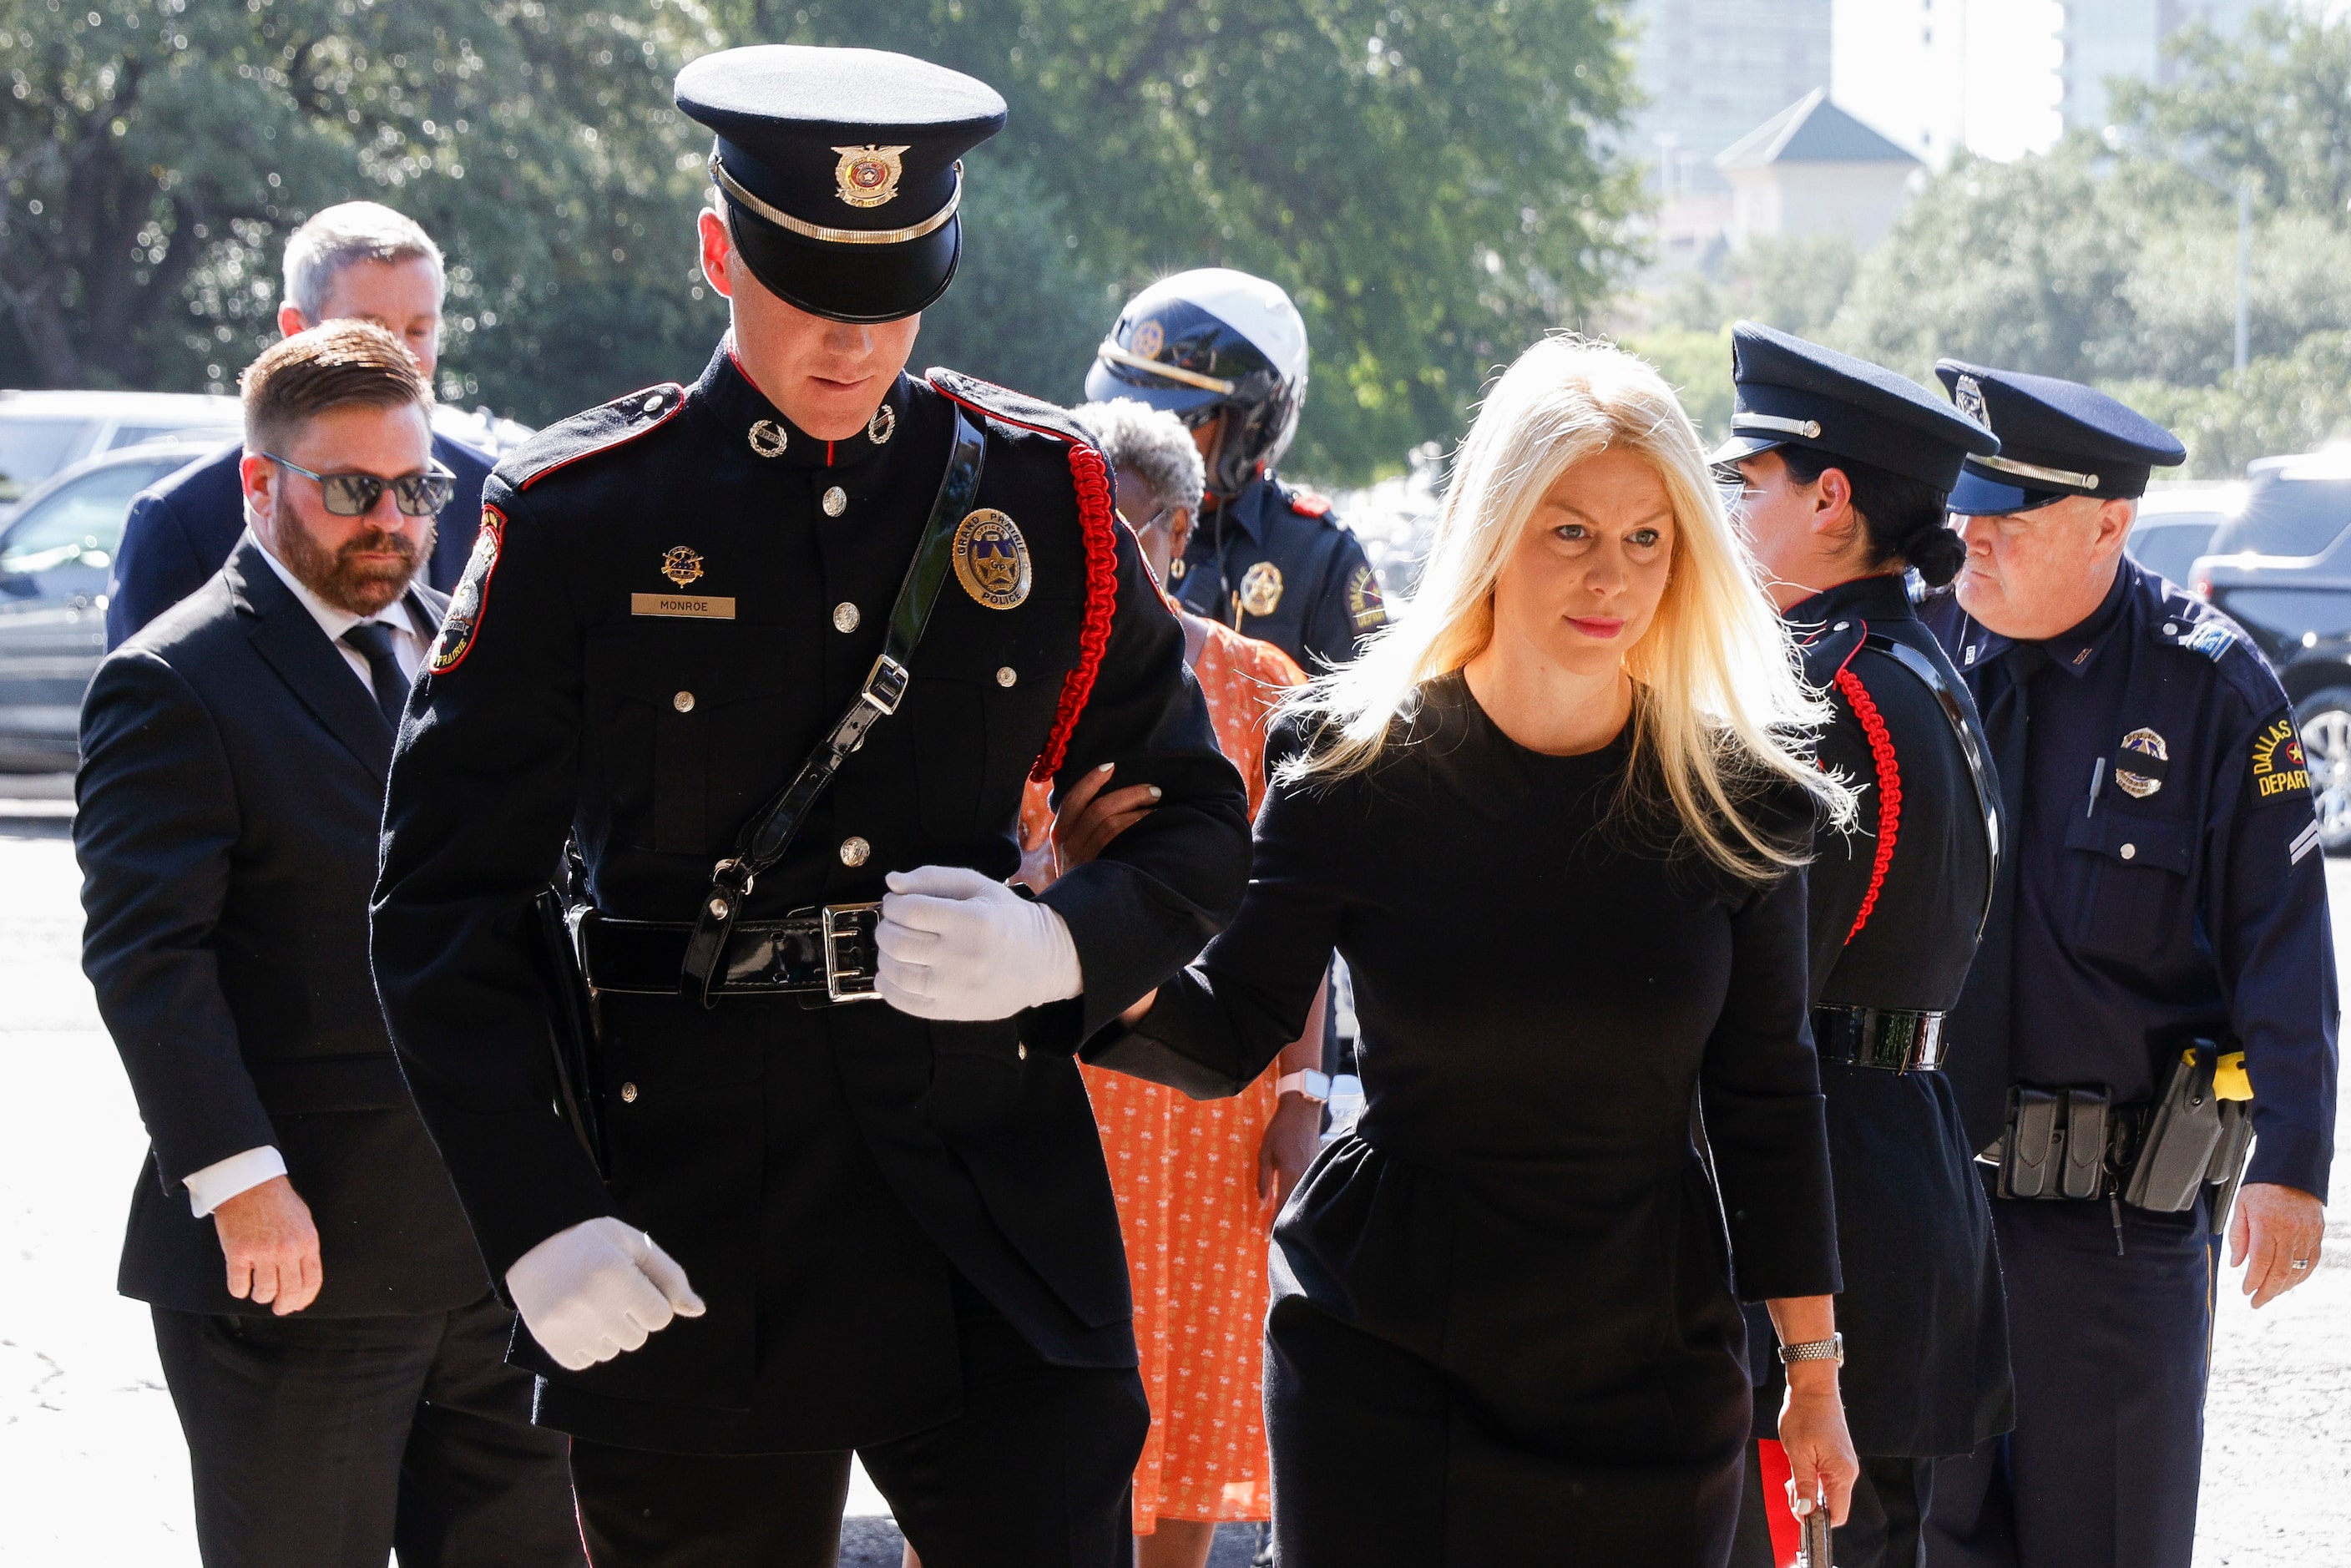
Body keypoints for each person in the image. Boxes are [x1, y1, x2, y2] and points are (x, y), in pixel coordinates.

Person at [367, 46, 1252, 1568]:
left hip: (985, 1184)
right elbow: (443, 904)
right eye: (805, 289)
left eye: (893, 295)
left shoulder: (1040, 496)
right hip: (695, 1197)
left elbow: (1192, 825)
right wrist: (536, 1211)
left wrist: (1057, 951)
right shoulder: (587, 511)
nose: (851, 340)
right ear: (719, 251)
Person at [1086, 336, 1862, 1565]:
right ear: (1495, 527)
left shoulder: (1741, 802)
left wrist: (1812, 1368)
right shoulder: (1347, 768)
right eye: (1569, 530)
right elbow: (1232, 1025)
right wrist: (1072, 938)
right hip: (1387, 1355)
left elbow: (1768, 1093)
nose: (1612, 574)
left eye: (1648, 537)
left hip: (1648, 1355)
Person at [73, 321, 582, 1568]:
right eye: (355, 490)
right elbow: (150, 957)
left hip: (497, 1254)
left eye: (416, 490)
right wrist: (241, 1183)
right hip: (299, 1265)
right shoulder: (174, 678)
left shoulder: (458, 648)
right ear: (261, 484)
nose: (394, 522)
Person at [1917, 364, 2338, 1568]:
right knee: (1926, 1541)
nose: (1973, 543)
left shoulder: (2210, 688)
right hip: (1937, 1203)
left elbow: (2284, 942)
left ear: (2111, 523)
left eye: (2007, 523)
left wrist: (2294, 1163)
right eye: (1966, 515)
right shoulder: (1927, 644)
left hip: (2113, 1236)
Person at [1710, 324, 2011, 1568]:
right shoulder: (1921, 667)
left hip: (1825, 1174)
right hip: (1898, 1155)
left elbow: (1764, 989)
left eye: (1751, 479)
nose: (1729, 503)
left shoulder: (1828, 692)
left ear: (1830, 500)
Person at [1040, 397, 1325, 1568]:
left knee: (1196, 1379)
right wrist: (1061, 865)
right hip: (1059, 1077)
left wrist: (1306, 1087)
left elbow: (1301, 909)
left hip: (1215, 1089)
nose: (1092, 561)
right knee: (1037, 1401)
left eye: (1117, 531)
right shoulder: (1018, 676)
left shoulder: (1261, 681)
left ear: (1180, 527)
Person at [106, 200, 492, 647]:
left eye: (419, 331)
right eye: (369, 329)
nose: (400, 354)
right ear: (296, 328)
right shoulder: (182, 520)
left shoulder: (492, 496)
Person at [1085, 267, 1387, 673]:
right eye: (1123, 410)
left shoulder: (1321, 557)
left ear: (1253, 427)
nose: (1140, 438)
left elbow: (1367, 729)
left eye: (1174, 419)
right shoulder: (1084, 517)